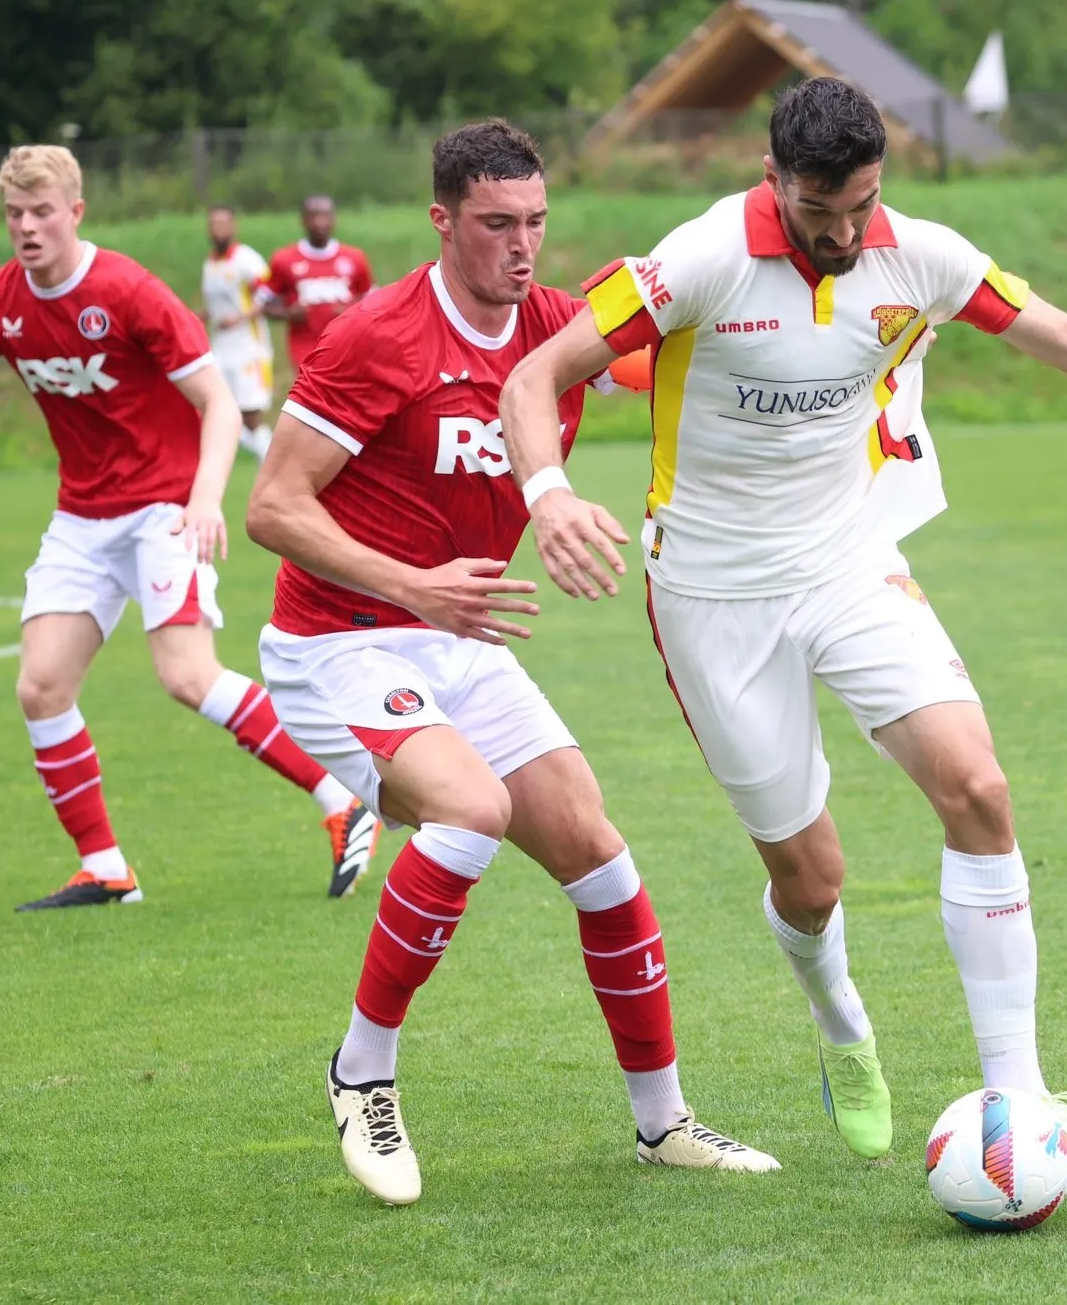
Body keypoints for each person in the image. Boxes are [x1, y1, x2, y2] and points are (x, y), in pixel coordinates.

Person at [500, 77, 1067, 1170]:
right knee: (809, 879)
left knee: (978, 786)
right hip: (712, 594)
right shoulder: (700, 260)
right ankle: (842, 1026)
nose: (845, 233)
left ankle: (1022, 1096)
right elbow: (537, 374)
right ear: (774, 183)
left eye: (862, 204)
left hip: (848, 559)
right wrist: (548, 491)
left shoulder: (924, 258)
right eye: (821, 213)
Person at [244, 120, 777, 1208]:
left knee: (600, 856)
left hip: (459, 639)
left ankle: (660, 1121)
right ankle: (362, 1072)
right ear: (442, 222)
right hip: (338, 642)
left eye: (535, 222)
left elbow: (695, 338)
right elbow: (271, 506)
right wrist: (412, 583)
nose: (521, 247)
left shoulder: (560, 328)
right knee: (468, 811)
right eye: (495, 225)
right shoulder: (373, 337)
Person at [0, 145, 381, 911]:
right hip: (83, 517)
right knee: (41, 687)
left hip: (162, 507)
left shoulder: (126, 290)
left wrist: (206, 499)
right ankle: (106, 868)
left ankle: (341, 797)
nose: (26, 227)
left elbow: (217, 403)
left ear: (75, 212)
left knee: (186, 674)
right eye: (14, 214)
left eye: (42, 211)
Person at [259, 195, 373, 378]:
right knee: (313, 403)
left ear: (334, 219)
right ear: (303, 220)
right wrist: (288, 313)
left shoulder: (355, 258)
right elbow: (265, 305)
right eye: (313, 216)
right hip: (305, 351)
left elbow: (373, 302)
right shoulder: (284, 259)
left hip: (348, 348)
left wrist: (353, 312)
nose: (319, 222)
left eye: (325, 216)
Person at [201, 205, 277, 459]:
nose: (218, 229)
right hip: (220, 348)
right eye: (213, 224)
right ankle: (266, 459)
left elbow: (268, 297)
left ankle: (270, 463)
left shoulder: (247, 259)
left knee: (250, 415)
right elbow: (217, 306)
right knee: (217, 407)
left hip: (248, 348)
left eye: (223, 224)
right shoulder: (210, 264)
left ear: (233, 227)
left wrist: (240, 318)